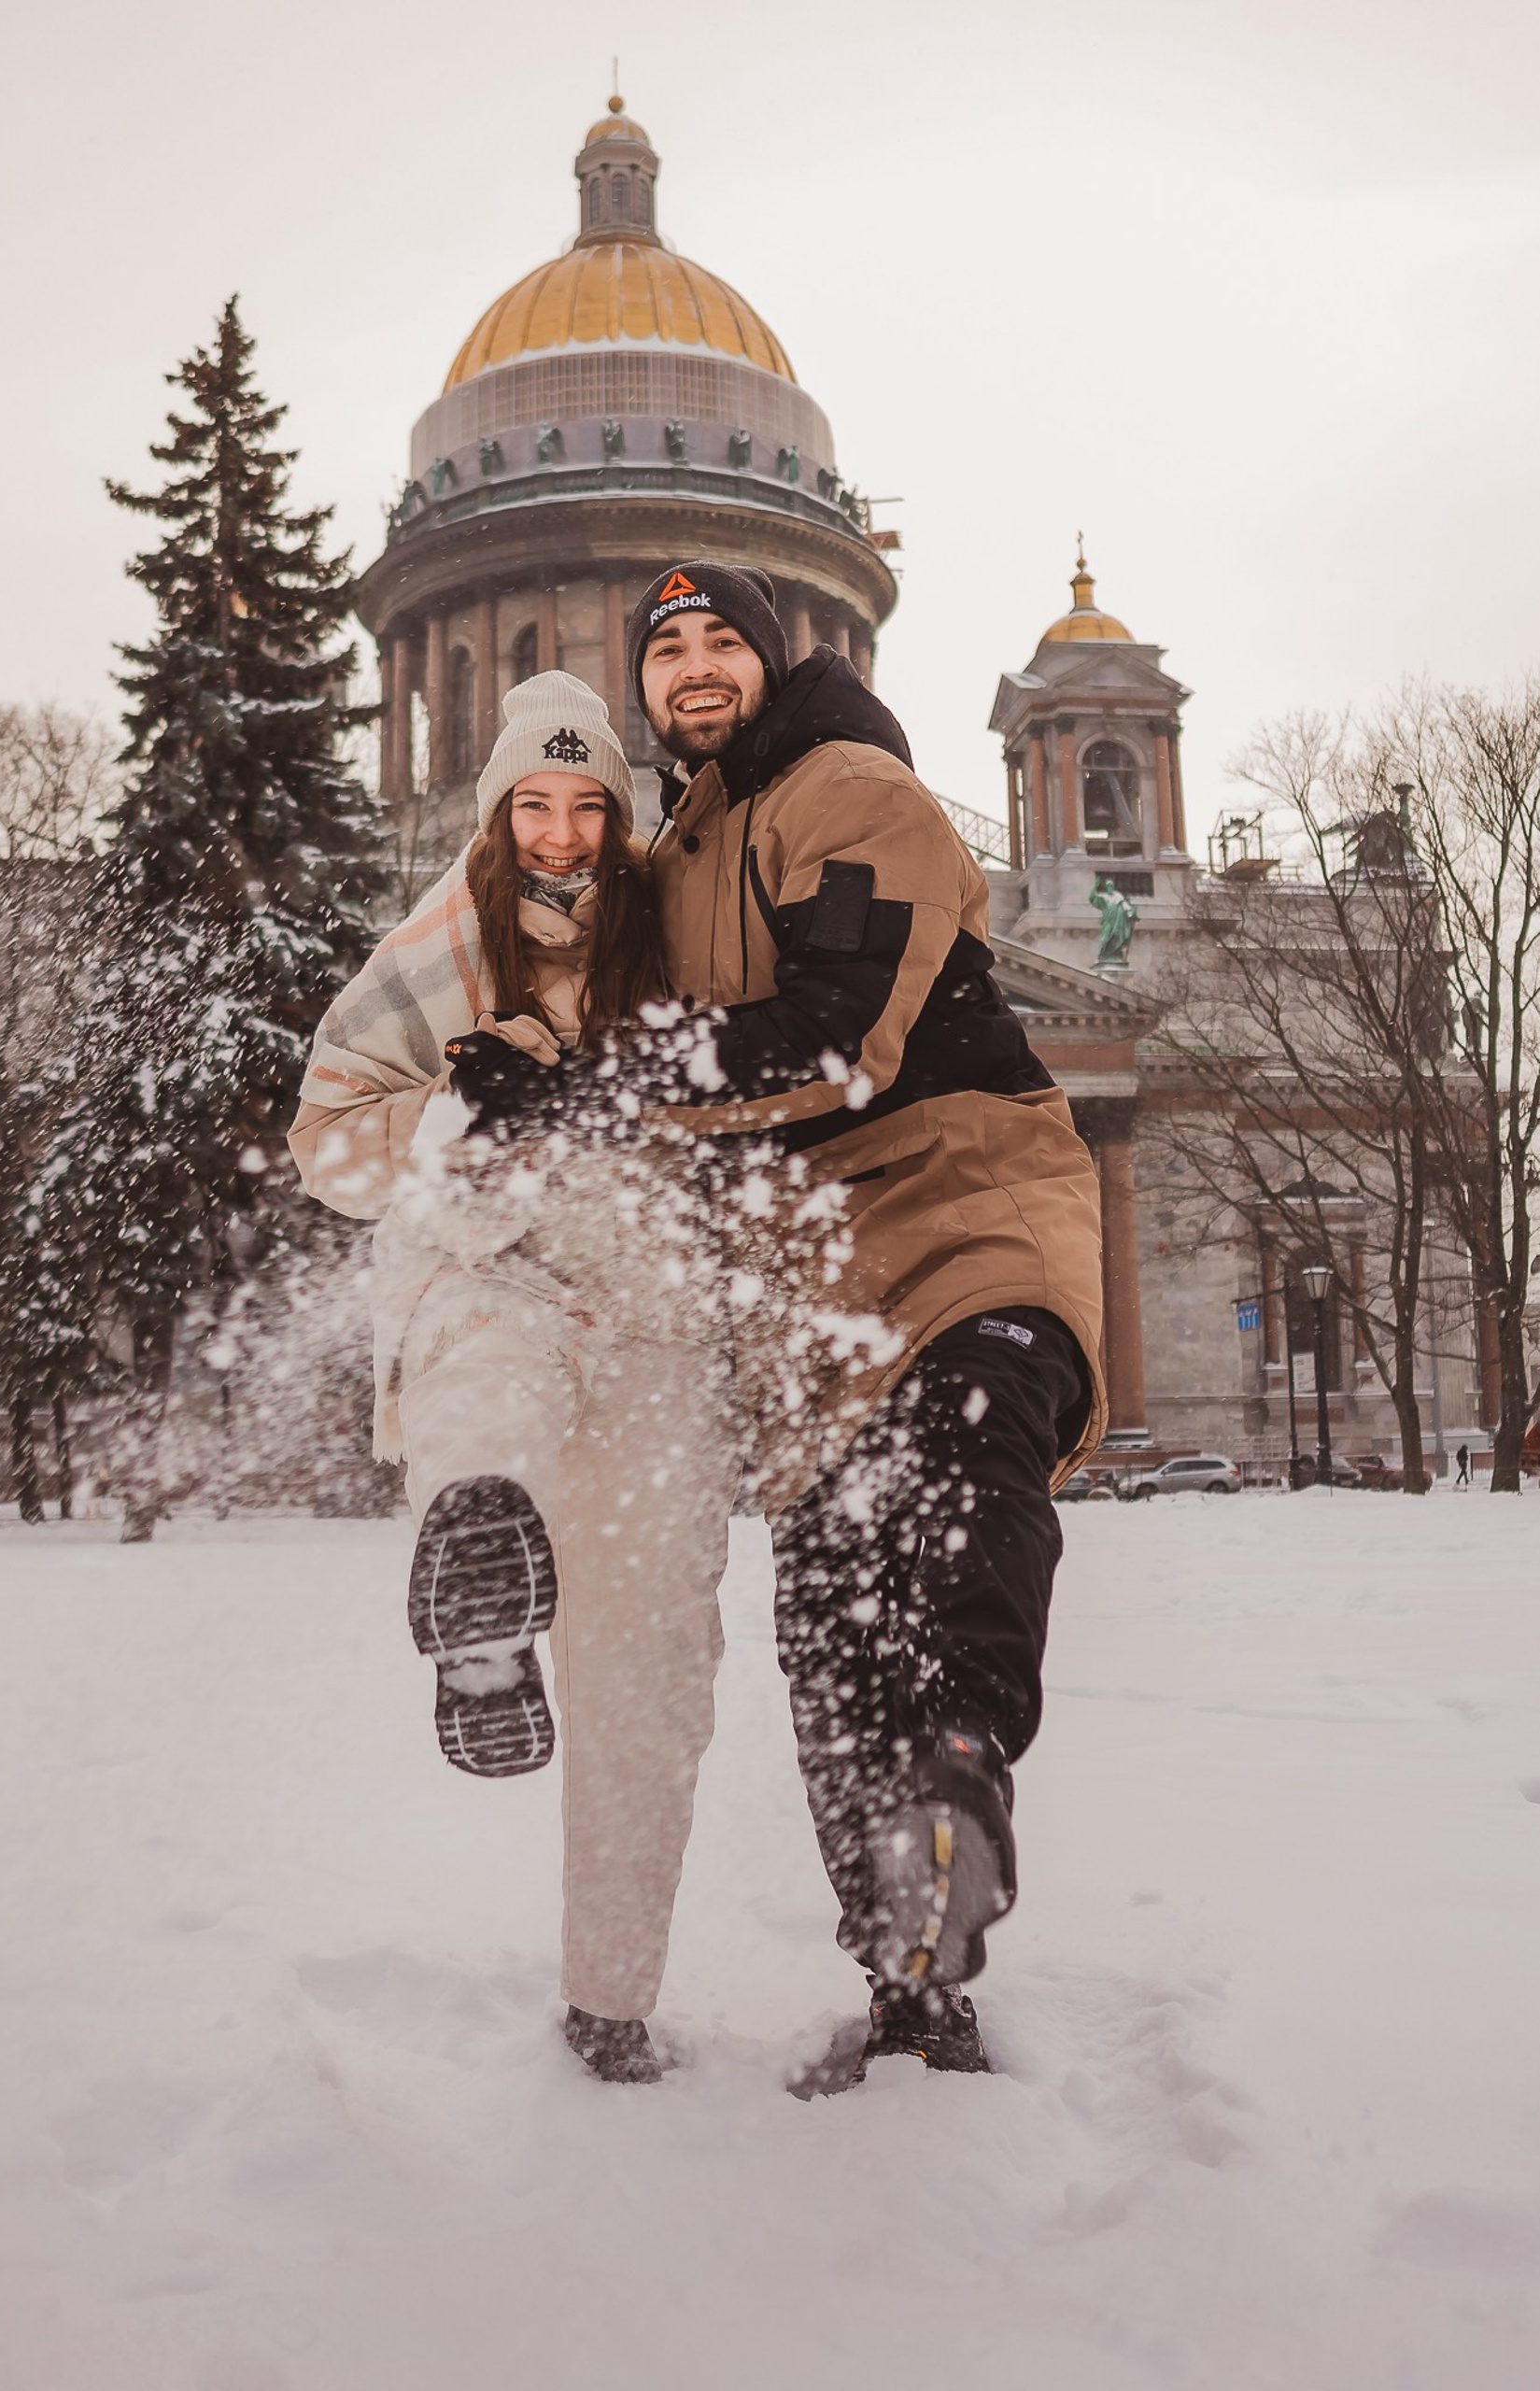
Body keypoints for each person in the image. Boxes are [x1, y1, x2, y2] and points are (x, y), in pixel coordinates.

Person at [618, 563, 1105, 2094]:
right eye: (666, 650)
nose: (695, 669)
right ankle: (910, 1980)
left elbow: (833, 1038)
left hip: (964, 1199)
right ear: (641, 688)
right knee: (831, 1634)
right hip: (809, 1277)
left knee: (972, 1477)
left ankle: (962, 1767)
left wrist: (604, 1084)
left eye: (721, 643)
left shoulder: (856, 787)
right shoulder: (668, 853)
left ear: (779, 660)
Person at [289, 672, 731, 2087]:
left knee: (652, 1666)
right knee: (486, 1372)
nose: (556, 832)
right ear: (494, 813)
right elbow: (326, 1140)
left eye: (583, 802)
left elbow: (764, 1102)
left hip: (654, 1311)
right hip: (488, 1262)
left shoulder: (685, 940)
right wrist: (459, 1105)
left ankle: (613, 1995)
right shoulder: (434, 946)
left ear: (619, 807)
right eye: (530, 805)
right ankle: (479, 1584)